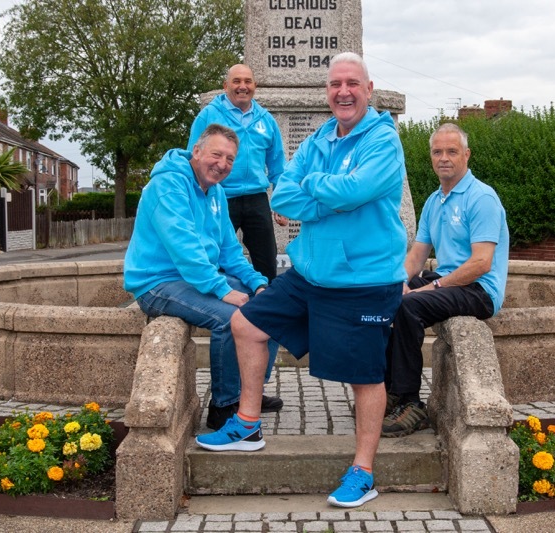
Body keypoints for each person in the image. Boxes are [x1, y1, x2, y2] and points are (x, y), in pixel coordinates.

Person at [196, 53, 407, 509]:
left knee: (365, 377)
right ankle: (246, 424)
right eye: (335, 84)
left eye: (352, 83)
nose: (343, 92)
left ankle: (363, 472)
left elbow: (356, 191)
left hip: (362, 281)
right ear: (327, 91)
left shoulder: (384, 141)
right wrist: (330, 192)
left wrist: (322, 191)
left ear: (369, 89)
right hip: (310, 273)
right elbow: (287, 195)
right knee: (246, 325)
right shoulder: (319, 137)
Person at [123, 124, 282, 431]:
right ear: (196, 151)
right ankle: (223, 407)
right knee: (231, 317)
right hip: (158, 282)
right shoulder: (168, 185)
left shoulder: (217, 192)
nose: (222, 164)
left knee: (272, 307)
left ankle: (250, 393)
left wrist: (258, 283)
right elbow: (185, 249)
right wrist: (221, 290)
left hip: (194, 278)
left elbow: (229, 251)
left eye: (230, 159)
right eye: (216, 154)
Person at [381, 122, 509, 438]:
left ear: (466, 155)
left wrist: (432, 286)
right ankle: (390, 393)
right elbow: (416, 256)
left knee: (409, 308)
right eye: (437, 152)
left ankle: (412, 405)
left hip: (480, 289)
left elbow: (481, 263)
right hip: (451, 279)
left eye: (452, 151)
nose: (444, 158)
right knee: (386, 299)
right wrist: (399, 281)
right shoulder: (435, 200)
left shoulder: (482, 198)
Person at [187, 64, 288, 282]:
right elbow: (192, 158)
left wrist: (280, 200)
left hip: (257, 199)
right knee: (215, 258)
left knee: (266, 264)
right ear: (225, 86)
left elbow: (278, 165)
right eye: (236, 81)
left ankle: (264, 309)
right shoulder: (208, 116)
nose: (242, 86)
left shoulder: (266, 120)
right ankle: (219, 308)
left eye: (247, 81)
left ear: (255, 86)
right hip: (219, 196)